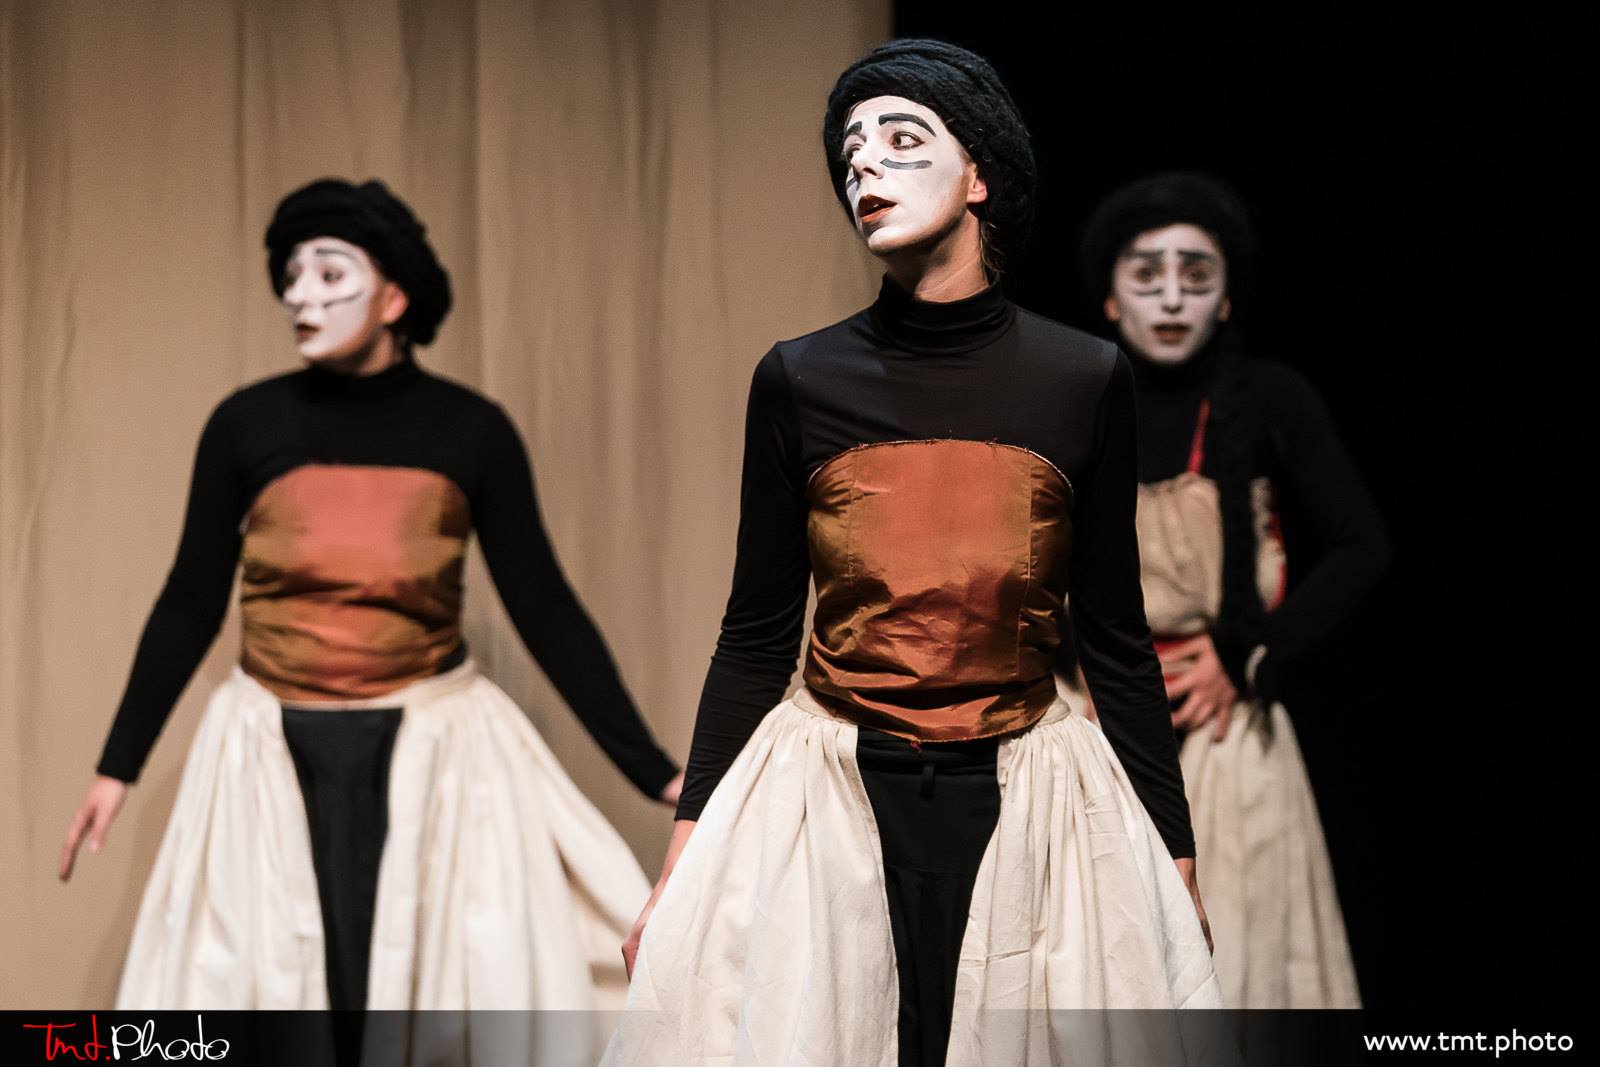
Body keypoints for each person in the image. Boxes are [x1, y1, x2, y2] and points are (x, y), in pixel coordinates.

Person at [605, 41, 1220, 1067]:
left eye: (901, 139)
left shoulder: (1081, 378)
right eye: (851, 152)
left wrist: (1176, 865)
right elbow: (754, 634)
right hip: (830, 799)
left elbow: (1116, 637)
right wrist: (680, 867)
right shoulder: (800, 379)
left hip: (1024, 797)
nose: (865, 165)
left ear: (979, 175)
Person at [57, 179, 682, 1020]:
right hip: (267, 752)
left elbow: (544, 606)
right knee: (271, 985)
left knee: (428, 984)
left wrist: (654, 770)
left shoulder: (471, 431)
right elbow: (189, 599)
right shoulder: (245, 425)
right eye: (291, 276)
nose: (299, 296)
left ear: (393, 297)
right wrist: (117, 764)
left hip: (433, 752)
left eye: (329, 274)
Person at [1073, 172, 1390, 1008]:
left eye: (1196, 274)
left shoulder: (1268, 397)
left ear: (1225, 298)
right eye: (1148, 274)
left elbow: (1361, 545)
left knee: (1240, 970)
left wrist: (1247, 653)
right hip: (1095, 731)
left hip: (1224, 729)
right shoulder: (1074, 398)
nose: (1172, 296)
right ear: (1111, 297)